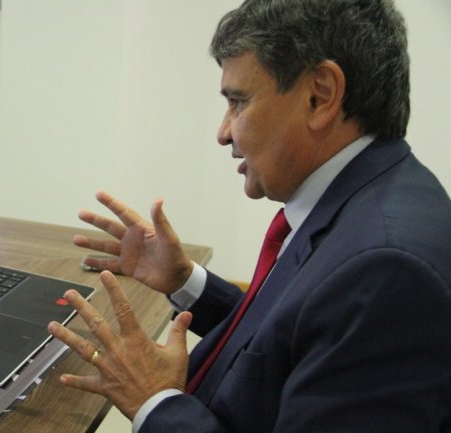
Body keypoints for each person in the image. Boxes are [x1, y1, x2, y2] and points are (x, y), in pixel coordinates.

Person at [47, 1, 451, 432]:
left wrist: (154, 401)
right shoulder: (366, 202)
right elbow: (291, 337)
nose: (223, 133)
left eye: (238, 102)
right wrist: (186, 281)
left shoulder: (386, 270)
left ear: (320, 96)